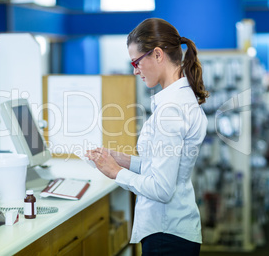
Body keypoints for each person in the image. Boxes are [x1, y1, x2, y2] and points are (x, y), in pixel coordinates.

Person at [86, 18, 209, 256]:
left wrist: (115, 172)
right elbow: (162, 166)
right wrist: (121, 159)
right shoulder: (178, 101)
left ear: (158, 55)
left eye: (136, 61)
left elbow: (162, 188)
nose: (134, 70)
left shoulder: (171, 111)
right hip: (174, 231)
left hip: (166, 235)